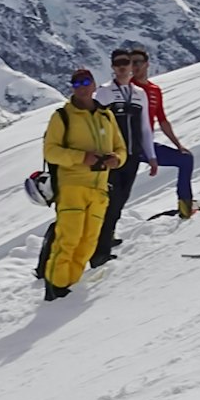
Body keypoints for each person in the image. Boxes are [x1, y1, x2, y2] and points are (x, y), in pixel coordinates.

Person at [40, 67, 126, 301]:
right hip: (72, 187)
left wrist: (116, 159)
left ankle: (70, 285)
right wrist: (81, 158)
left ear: (94, 84)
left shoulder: (106, 116)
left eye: (86, 81)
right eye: (77, 83)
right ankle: (55, 288)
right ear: (72, 88)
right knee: (68, 239)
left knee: (88, 241)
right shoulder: (62, 116)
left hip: (99, 188)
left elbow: (121, 148)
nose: (82, 86)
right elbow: (51, 151)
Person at [91, 48, 157, 264]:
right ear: (112, 66)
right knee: (109, 201)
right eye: (118, 63)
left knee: (120, 200)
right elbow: (94, 125)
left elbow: (145, 127)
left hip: (132, 156)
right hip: (110, 158)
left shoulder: (140, 94)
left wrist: (151, 155)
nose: (122, 66)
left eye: (126, 62)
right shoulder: (104, 92)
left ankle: (106, 237)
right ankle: (99, 250)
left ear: (131, 66)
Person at [129, 46, 198, 219]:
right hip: (127, 146)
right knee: (119, 187)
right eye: (131, 63)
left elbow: (162, 119)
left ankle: (185, 206)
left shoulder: (154, 90)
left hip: (146, 146)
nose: (134, 66)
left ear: (147, 64)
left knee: (185, 159)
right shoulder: (127, 89)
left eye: (137, 62)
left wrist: (178, 145)